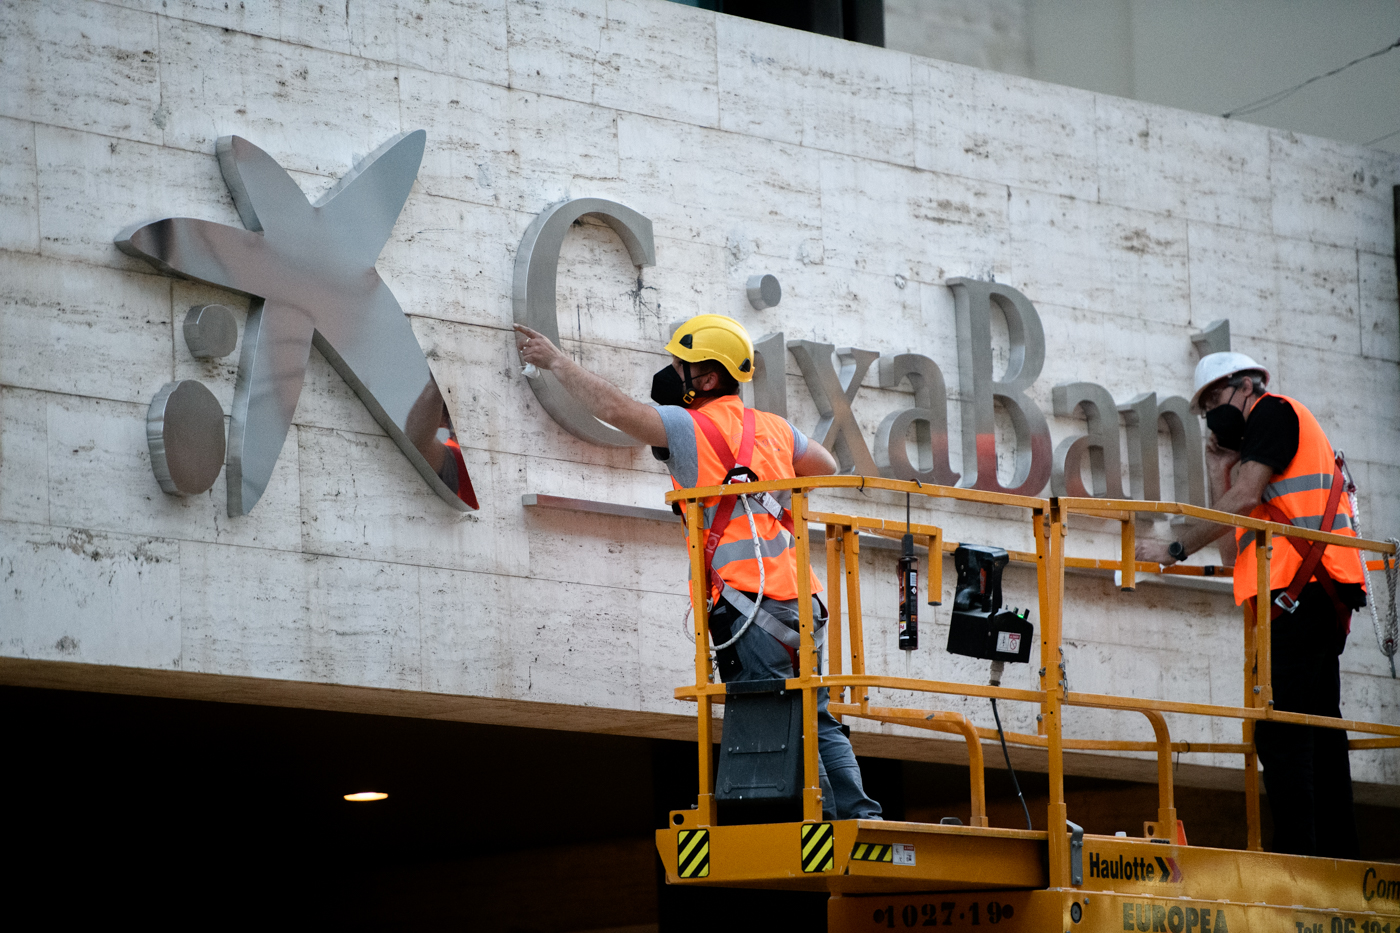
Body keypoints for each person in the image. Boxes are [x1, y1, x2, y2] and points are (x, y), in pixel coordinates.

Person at [514, 314, 882, 821]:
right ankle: (859, 815)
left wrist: (555, 361)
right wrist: (768, 492)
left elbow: (613, 409)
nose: (672, 373)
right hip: (801, 599)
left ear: (707, 379)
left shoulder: (688, 426)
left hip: (750, 605)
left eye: (680, 366)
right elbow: (827, 465)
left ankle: (827, 823)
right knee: (813, 715)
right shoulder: (773, 428)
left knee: (783, 712)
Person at [1136, 351, 1365, 857]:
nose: (1214, 415)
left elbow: (1243, 500)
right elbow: (1230, 543)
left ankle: (1300, 858)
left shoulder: (1274, 413)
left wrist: (1174, 547)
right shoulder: (1260, 446)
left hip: (1303, 595)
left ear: (1248, 386)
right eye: (1206, 409)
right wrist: (1222, 469)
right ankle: (1338, 852)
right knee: (1319, 728)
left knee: (1281, 729)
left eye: (1218, 400)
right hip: (1305, 598)